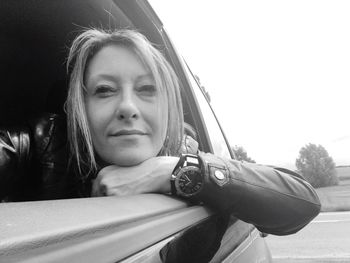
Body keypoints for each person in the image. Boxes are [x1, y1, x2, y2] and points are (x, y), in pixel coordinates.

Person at [0, 28, 320, 261]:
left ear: (168, 107)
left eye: (147, 89)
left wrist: (174, 172)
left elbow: (303, 200)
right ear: (80, 108)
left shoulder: (188, 159)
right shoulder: (38, 144)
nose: (127, 106)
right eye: (105, 90)